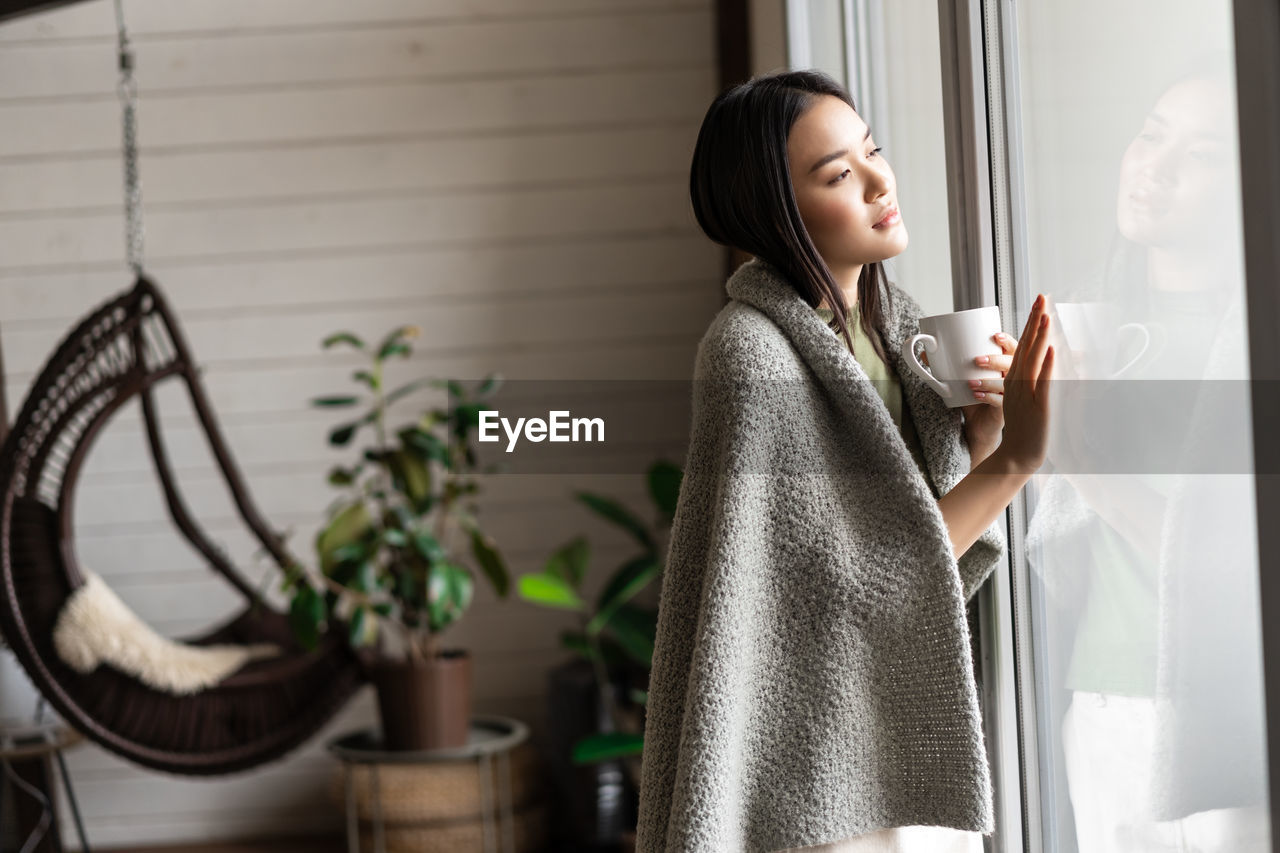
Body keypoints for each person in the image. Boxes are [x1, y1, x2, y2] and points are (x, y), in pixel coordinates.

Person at [635, 69, 1054, 852]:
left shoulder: (891, 324)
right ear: (775, 210)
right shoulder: (749, 354)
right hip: (819, 774)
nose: (878, 181)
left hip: (897, 738)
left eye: (873, 152)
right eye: (838, 175)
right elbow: (851, 588)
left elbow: (915, 541)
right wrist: (1018, 461)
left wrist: (987, 436)